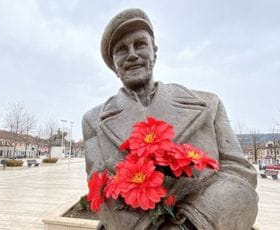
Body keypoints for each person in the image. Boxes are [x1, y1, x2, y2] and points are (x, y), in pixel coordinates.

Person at [82, 8, 258, 230]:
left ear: (154, 52)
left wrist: (191, 223)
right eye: (121, 50)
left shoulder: (208, 104)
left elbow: (240, 173)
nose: (132, 54)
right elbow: (100, 188)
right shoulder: (93, 120)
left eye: (140, 44)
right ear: (114, 65)